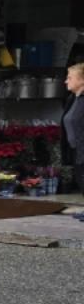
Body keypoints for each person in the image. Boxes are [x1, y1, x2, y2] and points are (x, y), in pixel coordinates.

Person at [65, 62, 84, 208]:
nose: (66, 81)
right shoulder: (73, 99)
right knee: (80, 179)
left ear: (82, 80)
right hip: (76, 149)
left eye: (70, 77)